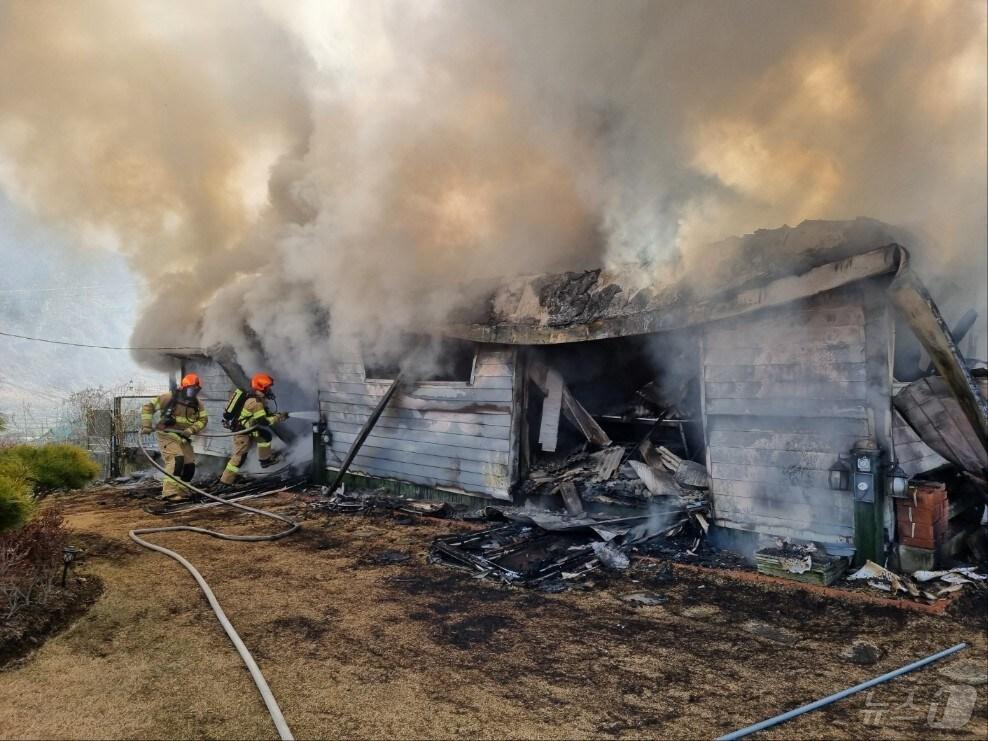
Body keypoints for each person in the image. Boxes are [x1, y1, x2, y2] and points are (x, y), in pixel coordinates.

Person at [141, 373, 208, 503]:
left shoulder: (198, 403)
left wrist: (191, 429)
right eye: (189, 389)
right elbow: (148, 407)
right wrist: (146, 425)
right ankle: (169, 492)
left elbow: (203, 420)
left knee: (189, 466)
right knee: (177, 460)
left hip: (183, 437)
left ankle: (183, 490)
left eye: (195, 390)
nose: (192, 393)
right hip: (166, 435)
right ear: (183, 388)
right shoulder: (169, 397)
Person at [219, 372, 288, 487]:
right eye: (268, 388)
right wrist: (279, 418)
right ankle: (225, 482)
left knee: (265, 436)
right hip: (242, 433)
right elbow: (264, 421)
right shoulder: (256, 403)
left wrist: (276, 415)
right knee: (239, 458)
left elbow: (263, 415)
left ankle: (265, 460)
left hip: (248, 429)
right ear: (262, 387)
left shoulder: (256, 398)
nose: (269, 390)